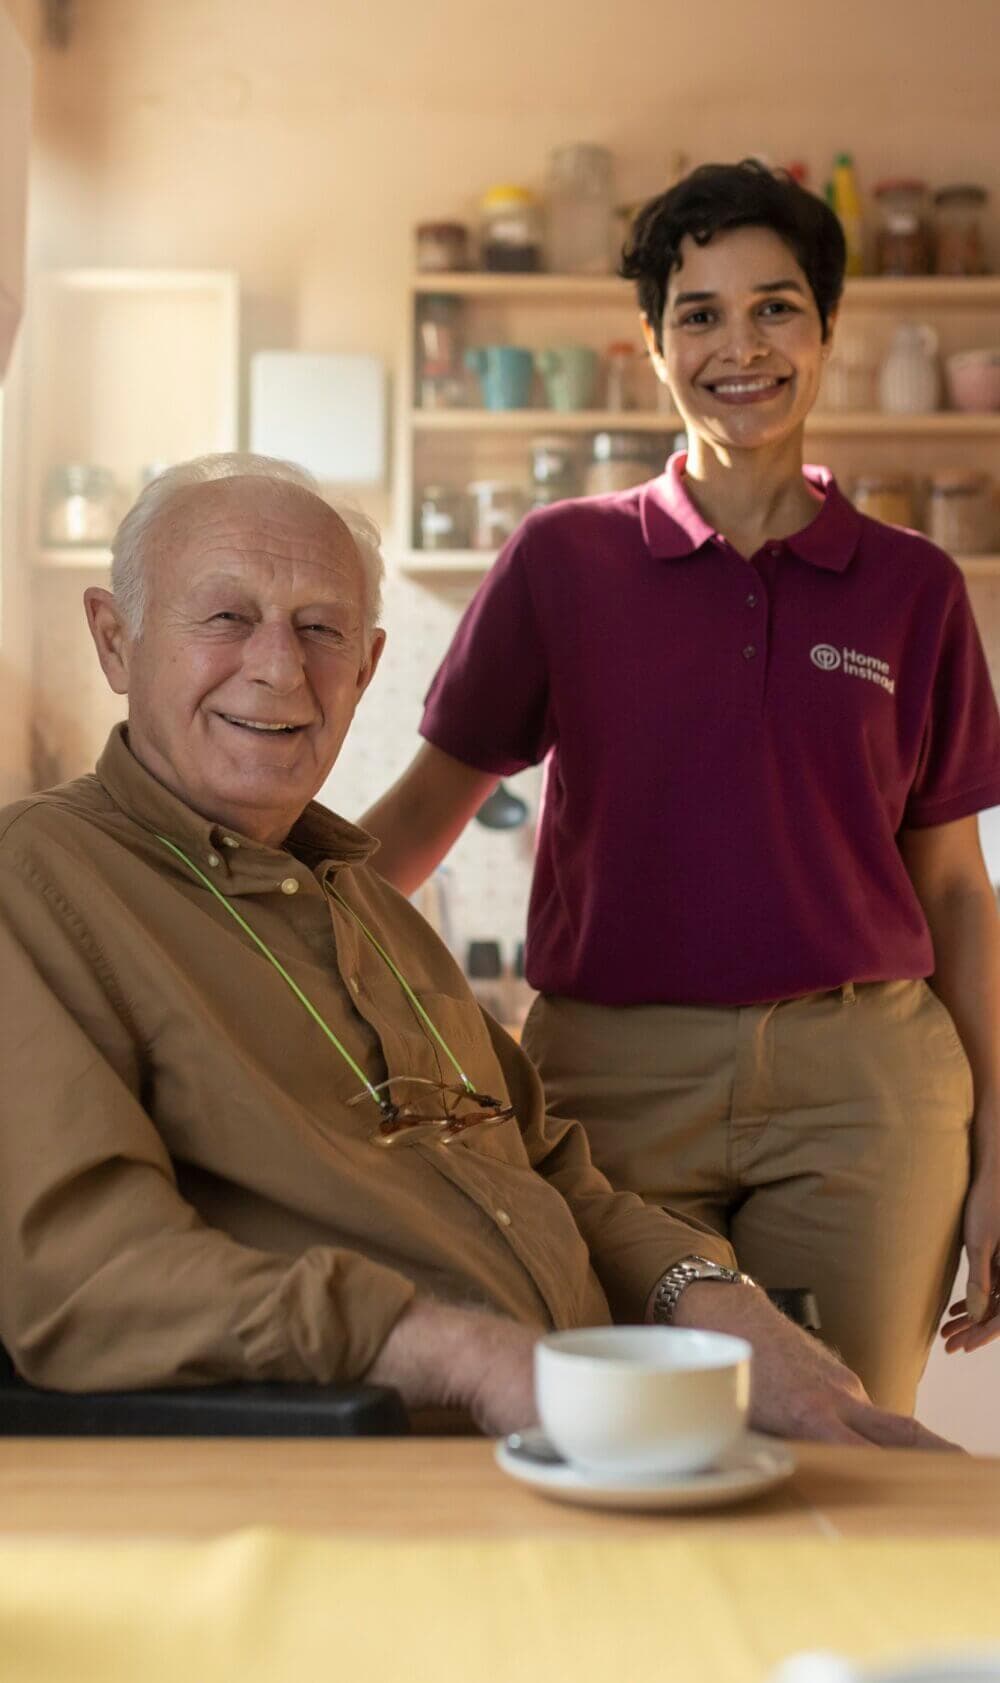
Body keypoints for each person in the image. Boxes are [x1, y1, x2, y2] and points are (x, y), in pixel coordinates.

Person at [0, 451, 951, 1449]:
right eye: (227, 617)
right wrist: (465, 1357)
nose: (281, 667)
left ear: (364, 669)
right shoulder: (42, 881)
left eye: (320, 630)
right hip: (395, 1474)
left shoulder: (372, 906)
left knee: (908, 1511)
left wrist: (712, 1296)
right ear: (115, 640)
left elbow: (553, 1173)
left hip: (592, 1438)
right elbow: (83, 1275)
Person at [362, 162, 1000, 1414]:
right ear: (652, 346)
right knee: (627, 1432)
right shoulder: (561, 560)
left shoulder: (913, 587)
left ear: (824, 331)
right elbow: (417, 824)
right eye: (698, 314)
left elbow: (955, 893)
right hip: (609, 1090)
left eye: (773, 308)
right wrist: (235, 926)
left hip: (865, 1088)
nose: (738, 345)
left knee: (847, 1445)